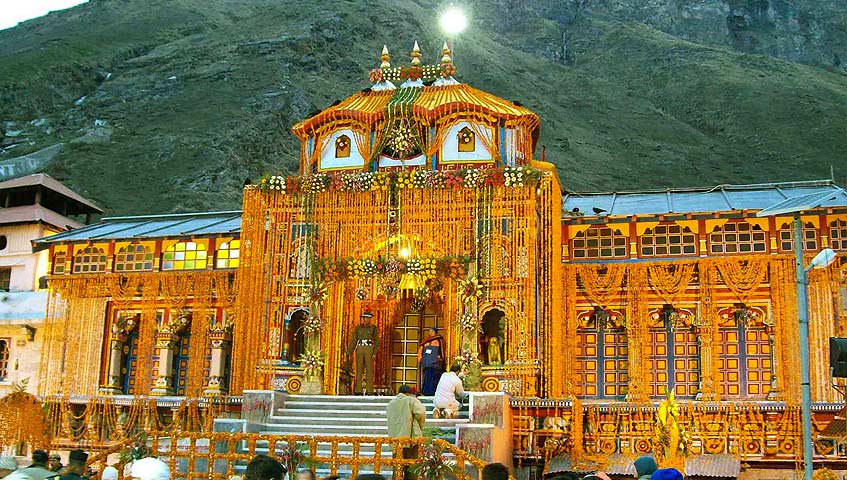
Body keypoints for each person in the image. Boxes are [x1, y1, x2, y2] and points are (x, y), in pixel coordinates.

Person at [386, 385, 426, 479]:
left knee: (397, 468)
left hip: (395, 440)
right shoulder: (410, 400)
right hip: (410, 438)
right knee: (412, 468)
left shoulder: (390, 404)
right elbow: (421, 413)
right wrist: (420, 426)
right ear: (409, 393)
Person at [347, 311, 379, 395]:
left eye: (368, 318)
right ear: (363, 318)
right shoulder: (358, 328)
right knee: (359, 369)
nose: (367, 319)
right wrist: (349, 351)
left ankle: (369, 390)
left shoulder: (373, 328)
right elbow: (354, 339)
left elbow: (377, 341)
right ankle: (358, 390)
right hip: (360, 347)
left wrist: (375, 352)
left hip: (369, 348)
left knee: (369, 370)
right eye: (365, 318)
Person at [417, 327, 444, 396]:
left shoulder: (439, 340)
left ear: (435, 332)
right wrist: (420, 358)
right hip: (426, 363)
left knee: (433, 379)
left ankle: (432, 393)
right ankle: (425, 392)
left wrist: (440, 358)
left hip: (435, 364)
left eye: (432, 331)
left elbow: (441, 350)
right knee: (426, 378)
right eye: (429, 331)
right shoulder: (426, 340)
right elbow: (421, 349)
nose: (430, 333)